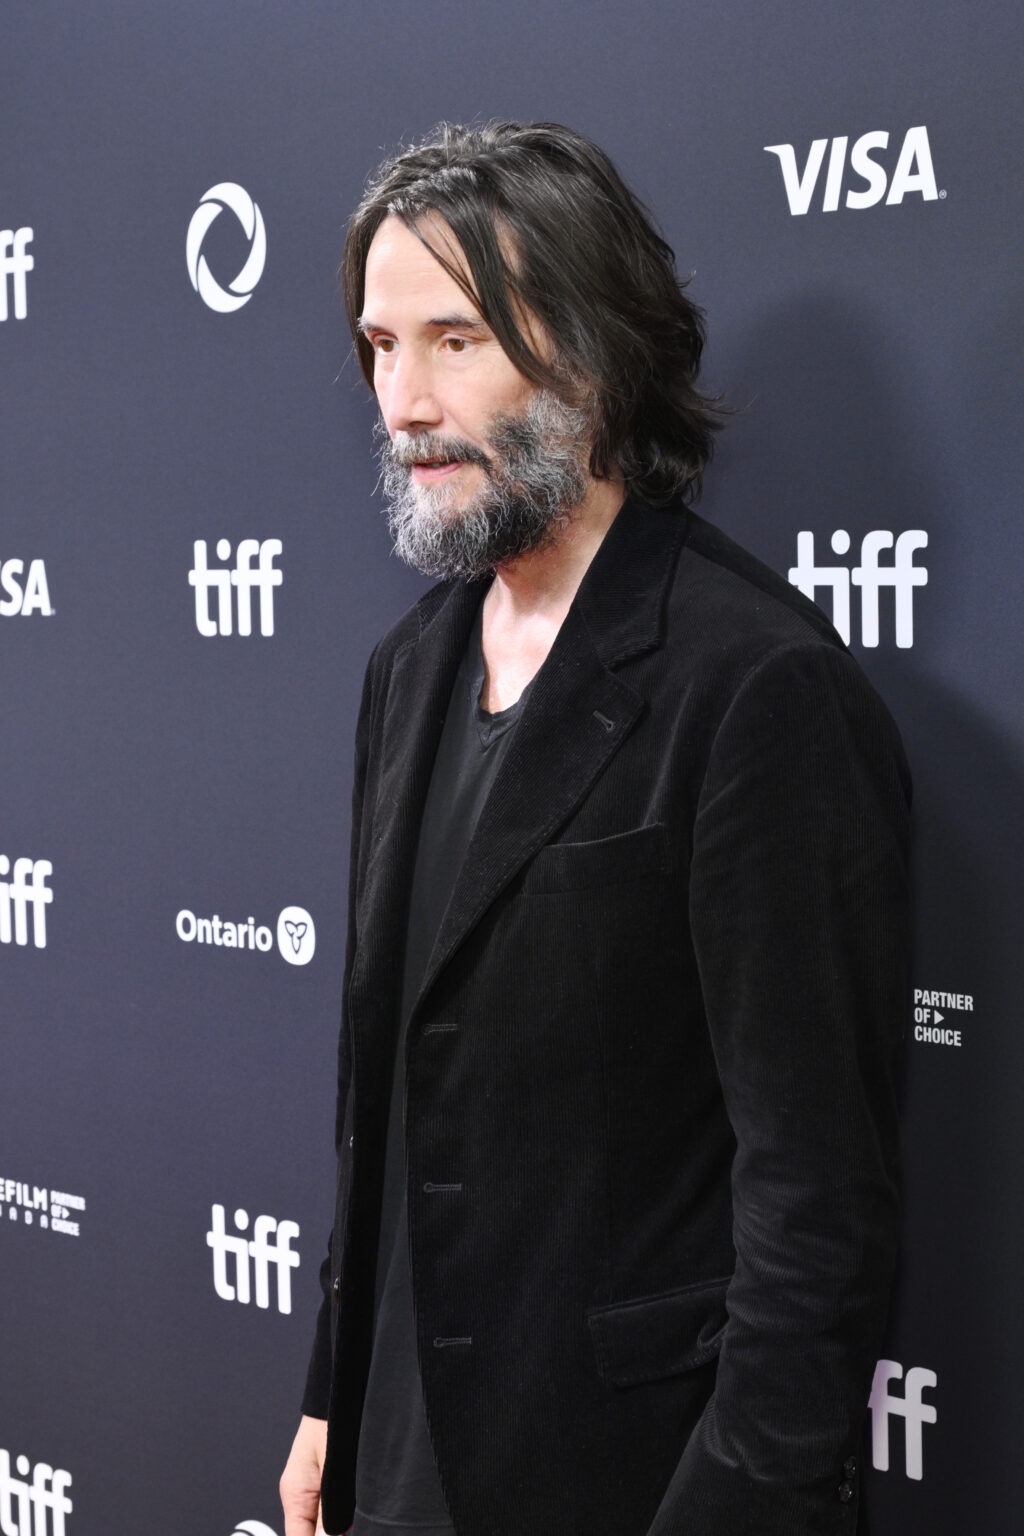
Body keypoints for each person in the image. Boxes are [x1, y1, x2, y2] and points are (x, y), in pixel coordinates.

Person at [279, 121, 911, 1536]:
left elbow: (817, 1207)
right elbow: (381, 1091)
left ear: (596, 356)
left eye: (456, 339)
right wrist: (335, 1391)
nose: (404, 401)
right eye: (382, 346)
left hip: (628, 1482)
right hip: (401, 1461)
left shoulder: (755, 688)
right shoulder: (410, 669)